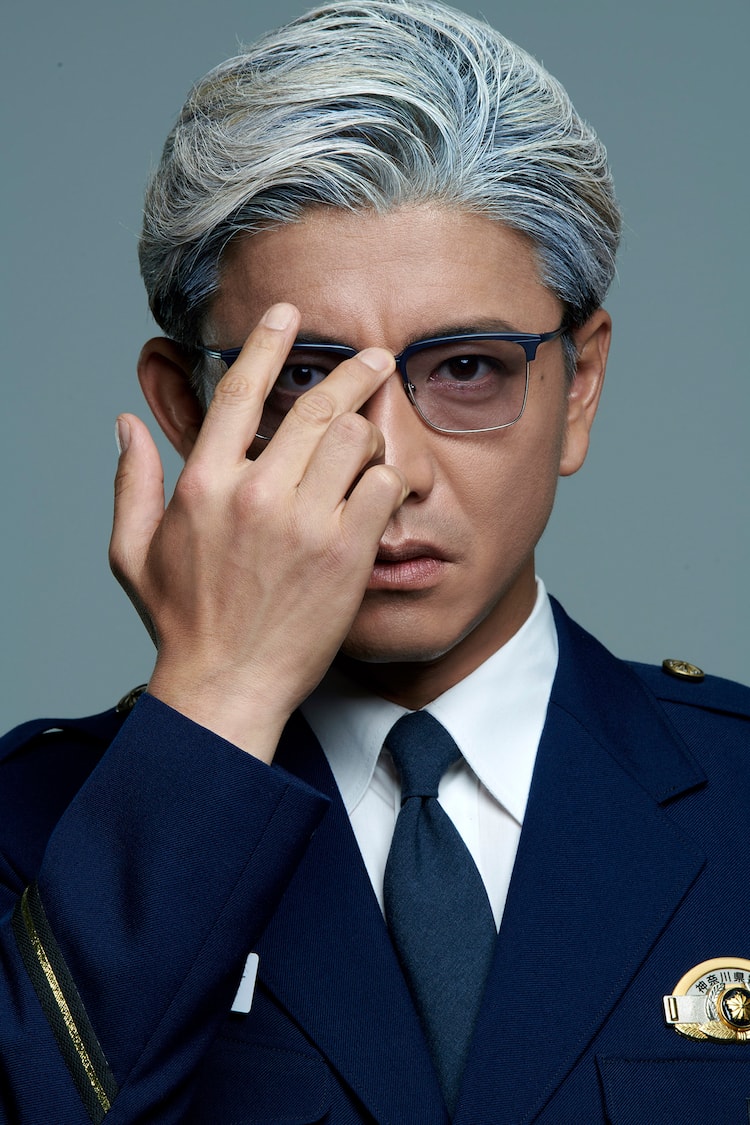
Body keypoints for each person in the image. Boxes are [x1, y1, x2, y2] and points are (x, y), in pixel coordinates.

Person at [1, 1, 748, 1121]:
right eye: (307, 379)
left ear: (579, 388)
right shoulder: (30, 822)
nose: (389, 470)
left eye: (469, 369)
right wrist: (220, 695)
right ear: (188, 411)